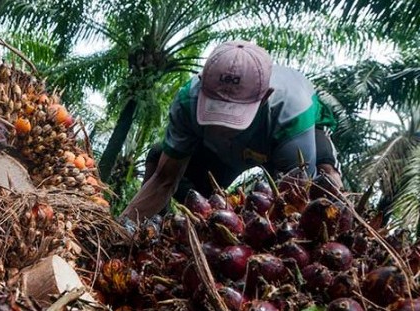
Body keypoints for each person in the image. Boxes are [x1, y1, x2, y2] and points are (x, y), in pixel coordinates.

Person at [121, 40, 342, 222]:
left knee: (324, 185)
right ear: (202, 86)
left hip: (282, 139)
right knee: (162, 159)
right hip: (222, 156)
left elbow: (295, 202)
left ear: (264, 98)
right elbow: (163, 180)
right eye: (215, 110)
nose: (222, 127)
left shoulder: (291, 112)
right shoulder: (187, 101)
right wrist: (121, 227)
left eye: (233, 113)